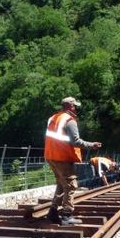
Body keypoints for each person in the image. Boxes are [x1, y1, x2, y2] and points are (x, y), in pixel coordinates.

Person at [44, 96, 102, 225]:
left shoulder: (53, 118)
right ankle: (66, 215)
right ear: (70, 107)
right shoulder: (69, 120)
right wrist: (92, 145)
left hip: (50, 155)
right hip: (62, 157)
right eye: (75, 106)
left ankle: (53, 212)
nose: (76, 108)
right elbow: (76, 141)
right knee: (71, 185)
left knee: (61, 184)